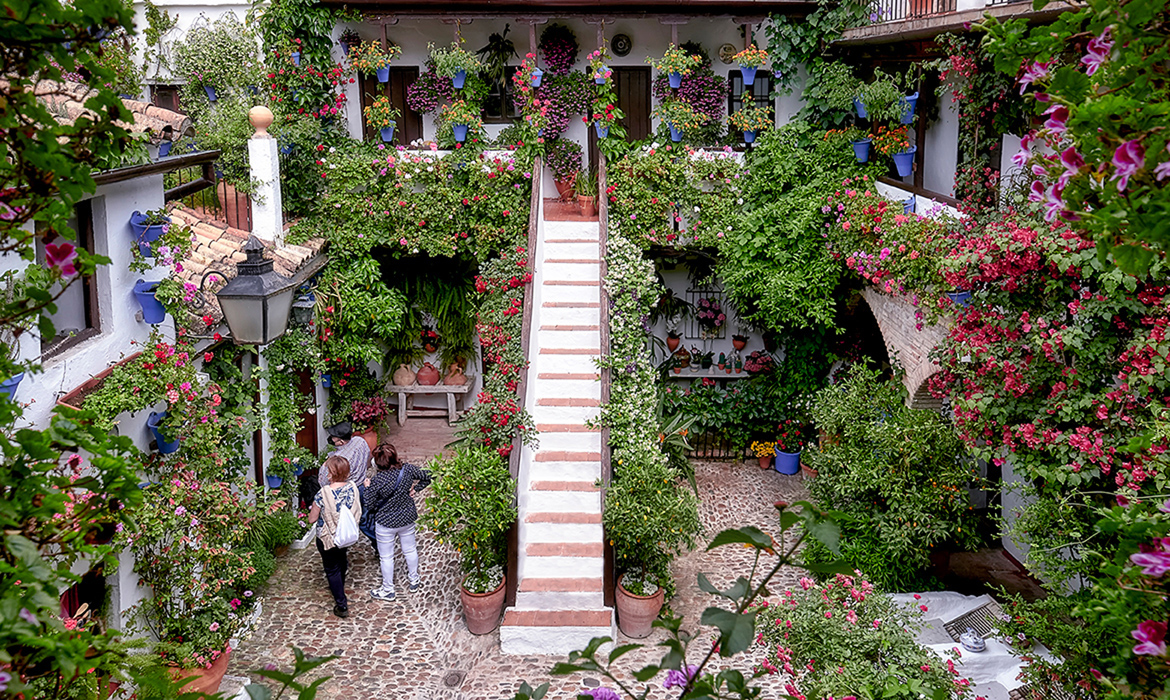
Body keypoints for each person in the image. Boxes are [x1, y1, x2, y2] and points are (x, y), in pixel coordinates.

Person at [365, 443, 431, 601]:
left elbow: (369, 504)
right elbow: (428, 475)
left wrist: (367, 488)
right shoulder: (407, 470)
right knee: (410, 549)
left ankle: (388, 589)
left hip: (385, 522)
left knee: (386, 557)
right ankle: (414, 579)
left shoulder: (377, 481)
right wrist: (417, 489)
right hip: (406, 517)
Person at [308, 455, 361, 618]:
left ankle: (341, 604)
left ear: (331, 473)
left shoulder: (323, 493)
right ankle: (341, 582)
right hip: (345, 535)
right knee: (341, 559)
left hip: (327, 537)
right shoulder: (353, 487)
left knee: (331, 568)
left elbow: (312, 518)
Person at [321, 421, 376, 553]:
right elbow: (368, 460)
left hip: (349, 491)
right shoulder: (360, 441)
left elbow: (324, 480)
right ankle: (379, 543)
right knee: (366, 518)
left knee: (350, 520)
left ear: (340, 442)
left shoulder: (339, 459)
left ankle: (379, 543)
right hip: (363, 485)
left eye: (333, 437)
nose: (331, 438)